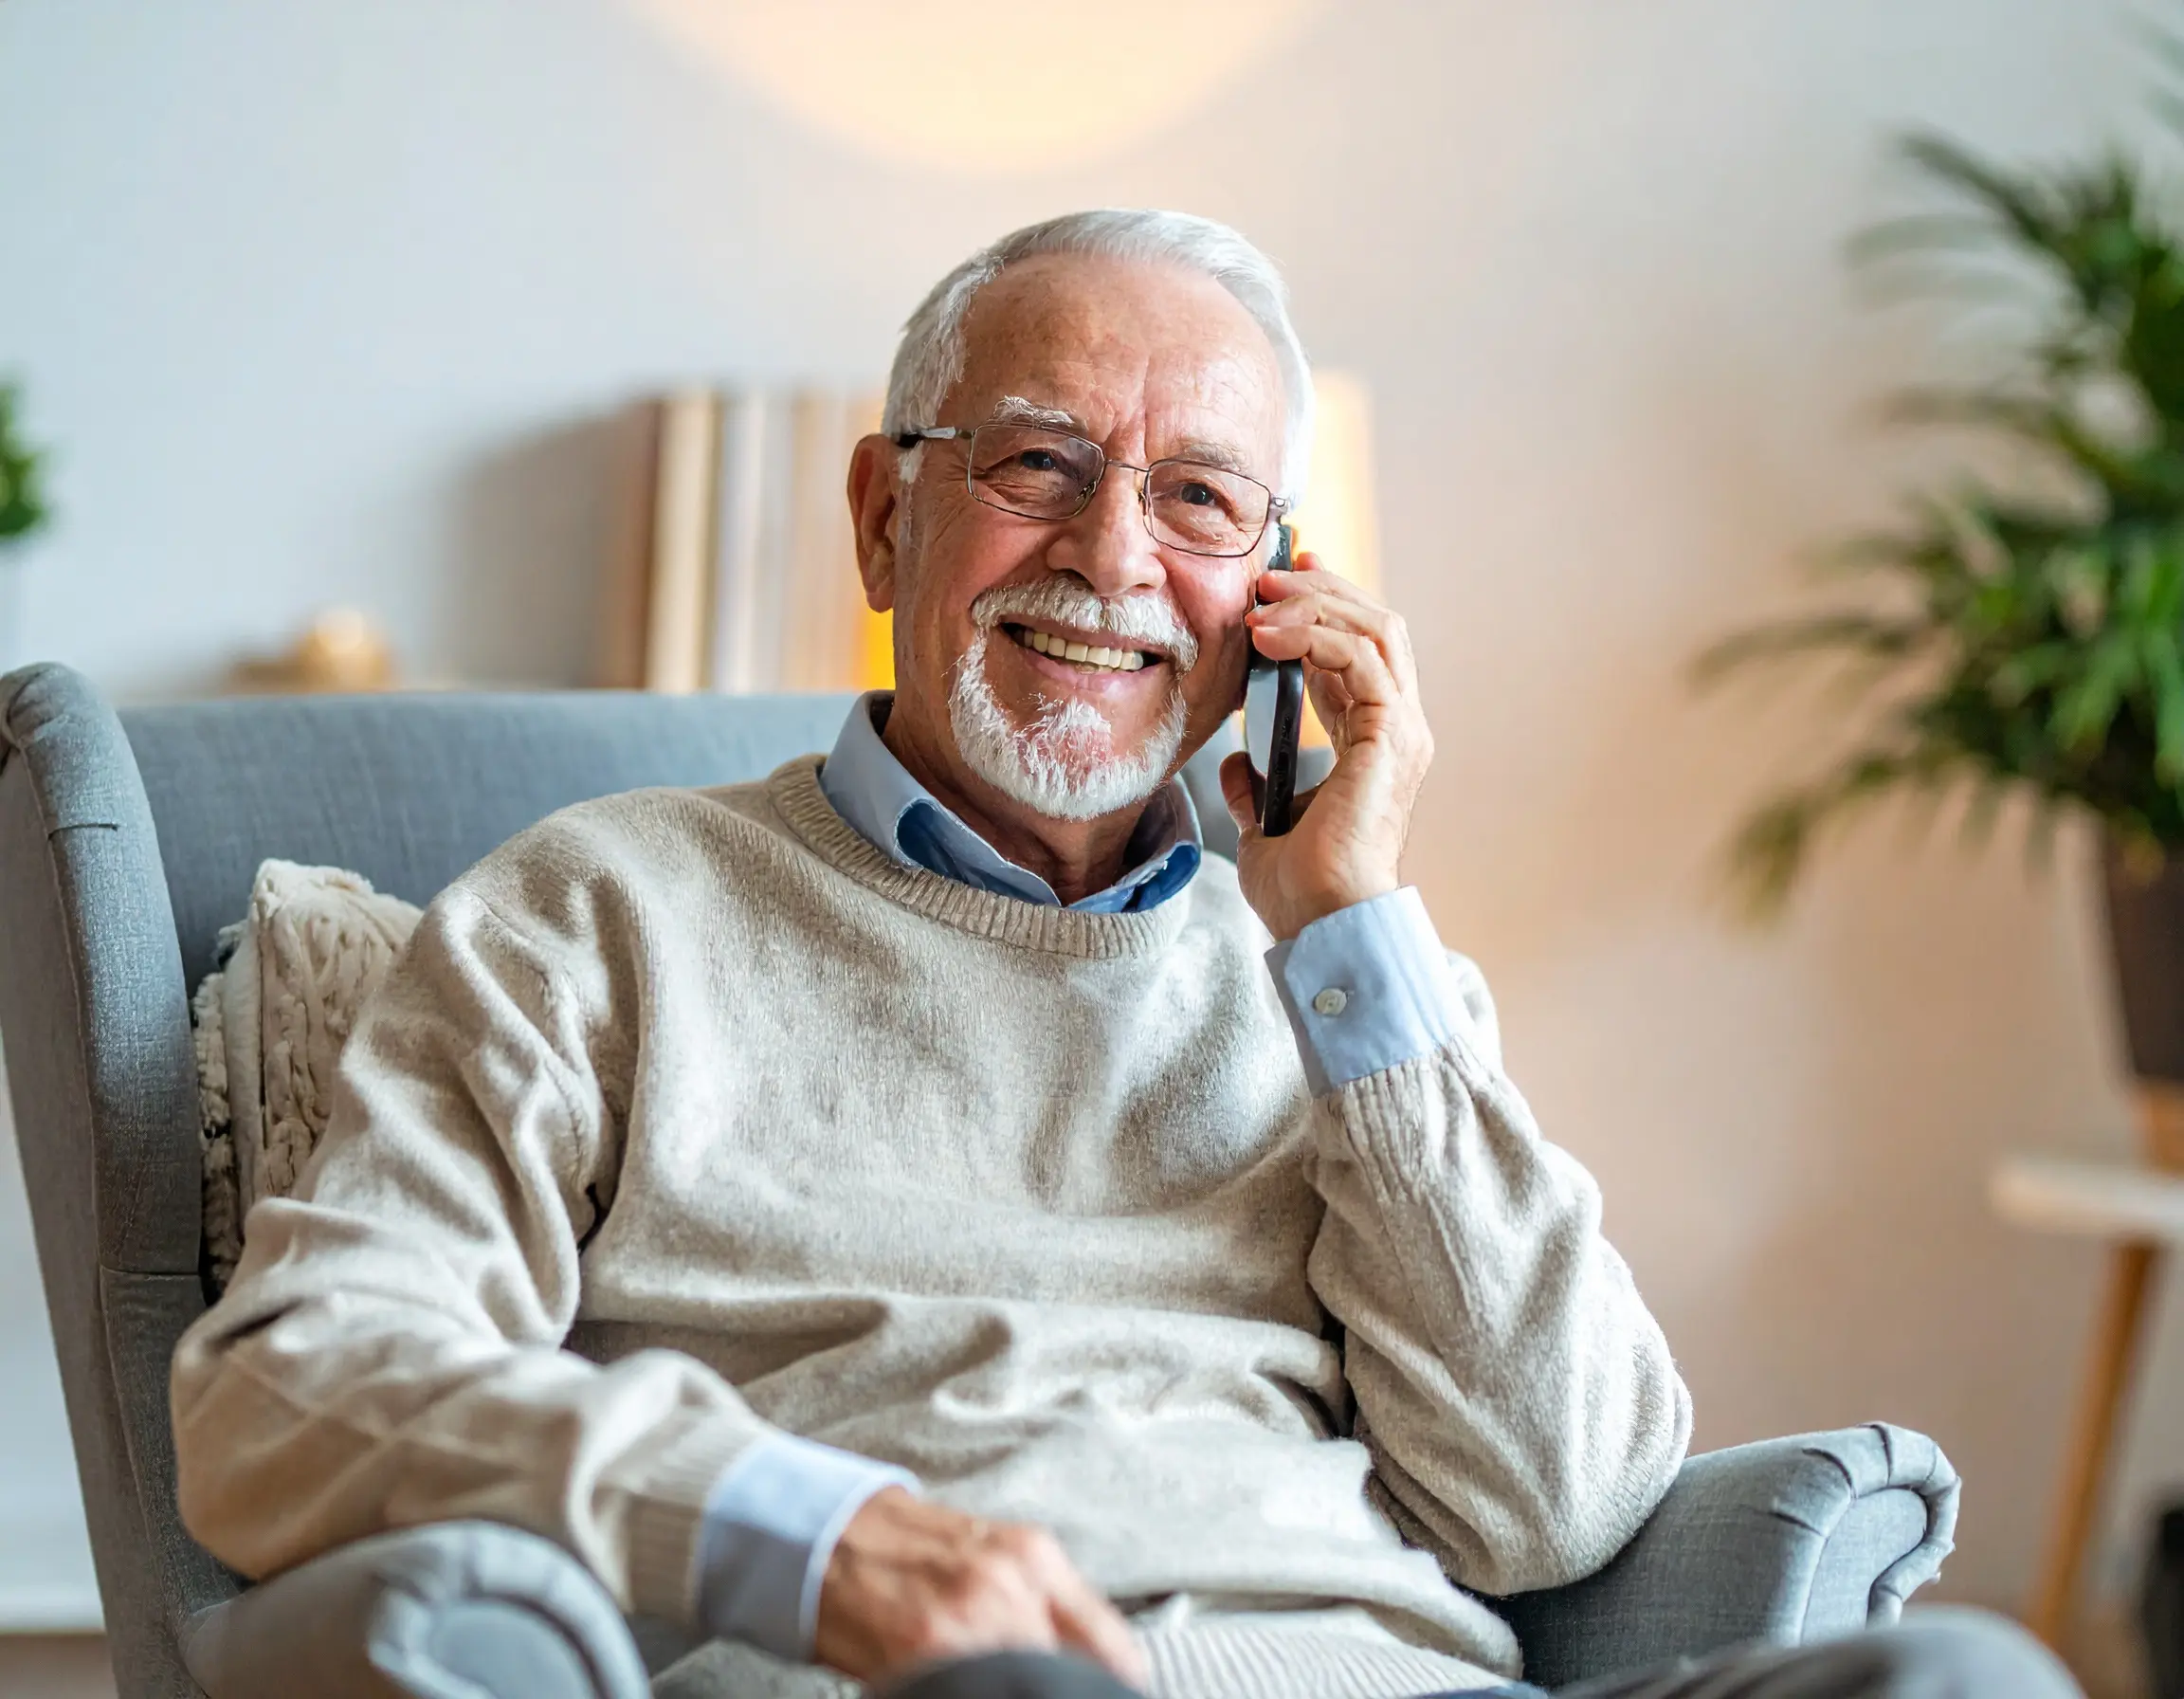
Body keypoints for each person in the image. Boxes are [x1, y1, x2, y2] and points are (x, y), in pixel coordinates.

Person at [170, 210, 2077, 1699]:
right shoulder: (601, 911)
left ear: (1280, 591)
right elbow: (292, 1383)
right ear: (881, 512)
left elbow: (1560, 1494)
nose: (1112, 558)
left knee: (1968, 1670)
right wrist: (811, 1536)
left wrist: (1350, 932)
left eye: (1200, 499)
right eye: (1037, 463)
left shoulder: (1348, 987)